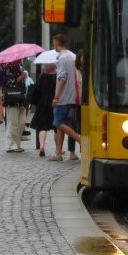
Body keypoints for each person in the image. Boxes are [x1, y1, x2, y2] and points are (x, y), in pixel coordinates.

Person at [47, 32, 82, 162]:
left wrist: (56, 97)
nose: (53, 44)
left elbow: (62, 78)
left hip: (63, 98)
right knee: (67, 125)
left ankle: (80, 140)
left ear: (57, 42)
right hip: (72, 96)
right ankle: (59, 153)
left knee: (58, 123)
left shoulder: (62, 58)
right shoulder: (71, 57)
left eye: (53, 42)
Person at [0, 60, 28, 153]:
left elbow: (22, 82)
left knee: (21, 123)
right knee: (12, 122)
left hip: (21, 98)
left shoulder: (19, 66)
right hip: (11, 99)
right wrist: (21, 77)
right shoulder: (5, 69)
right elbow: (9, 83)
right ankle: (11, 145)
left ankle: (17, 144)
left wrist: (23, 76)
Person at [28, 63, 56, 156]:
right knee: (57, 128)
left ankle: (41, 146)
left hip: (43, 104)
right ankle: (60, 149)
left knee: (42, 128)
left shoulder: (42, 77)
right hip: (55, 104)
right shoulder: (57, 77)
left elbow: (37, 91)